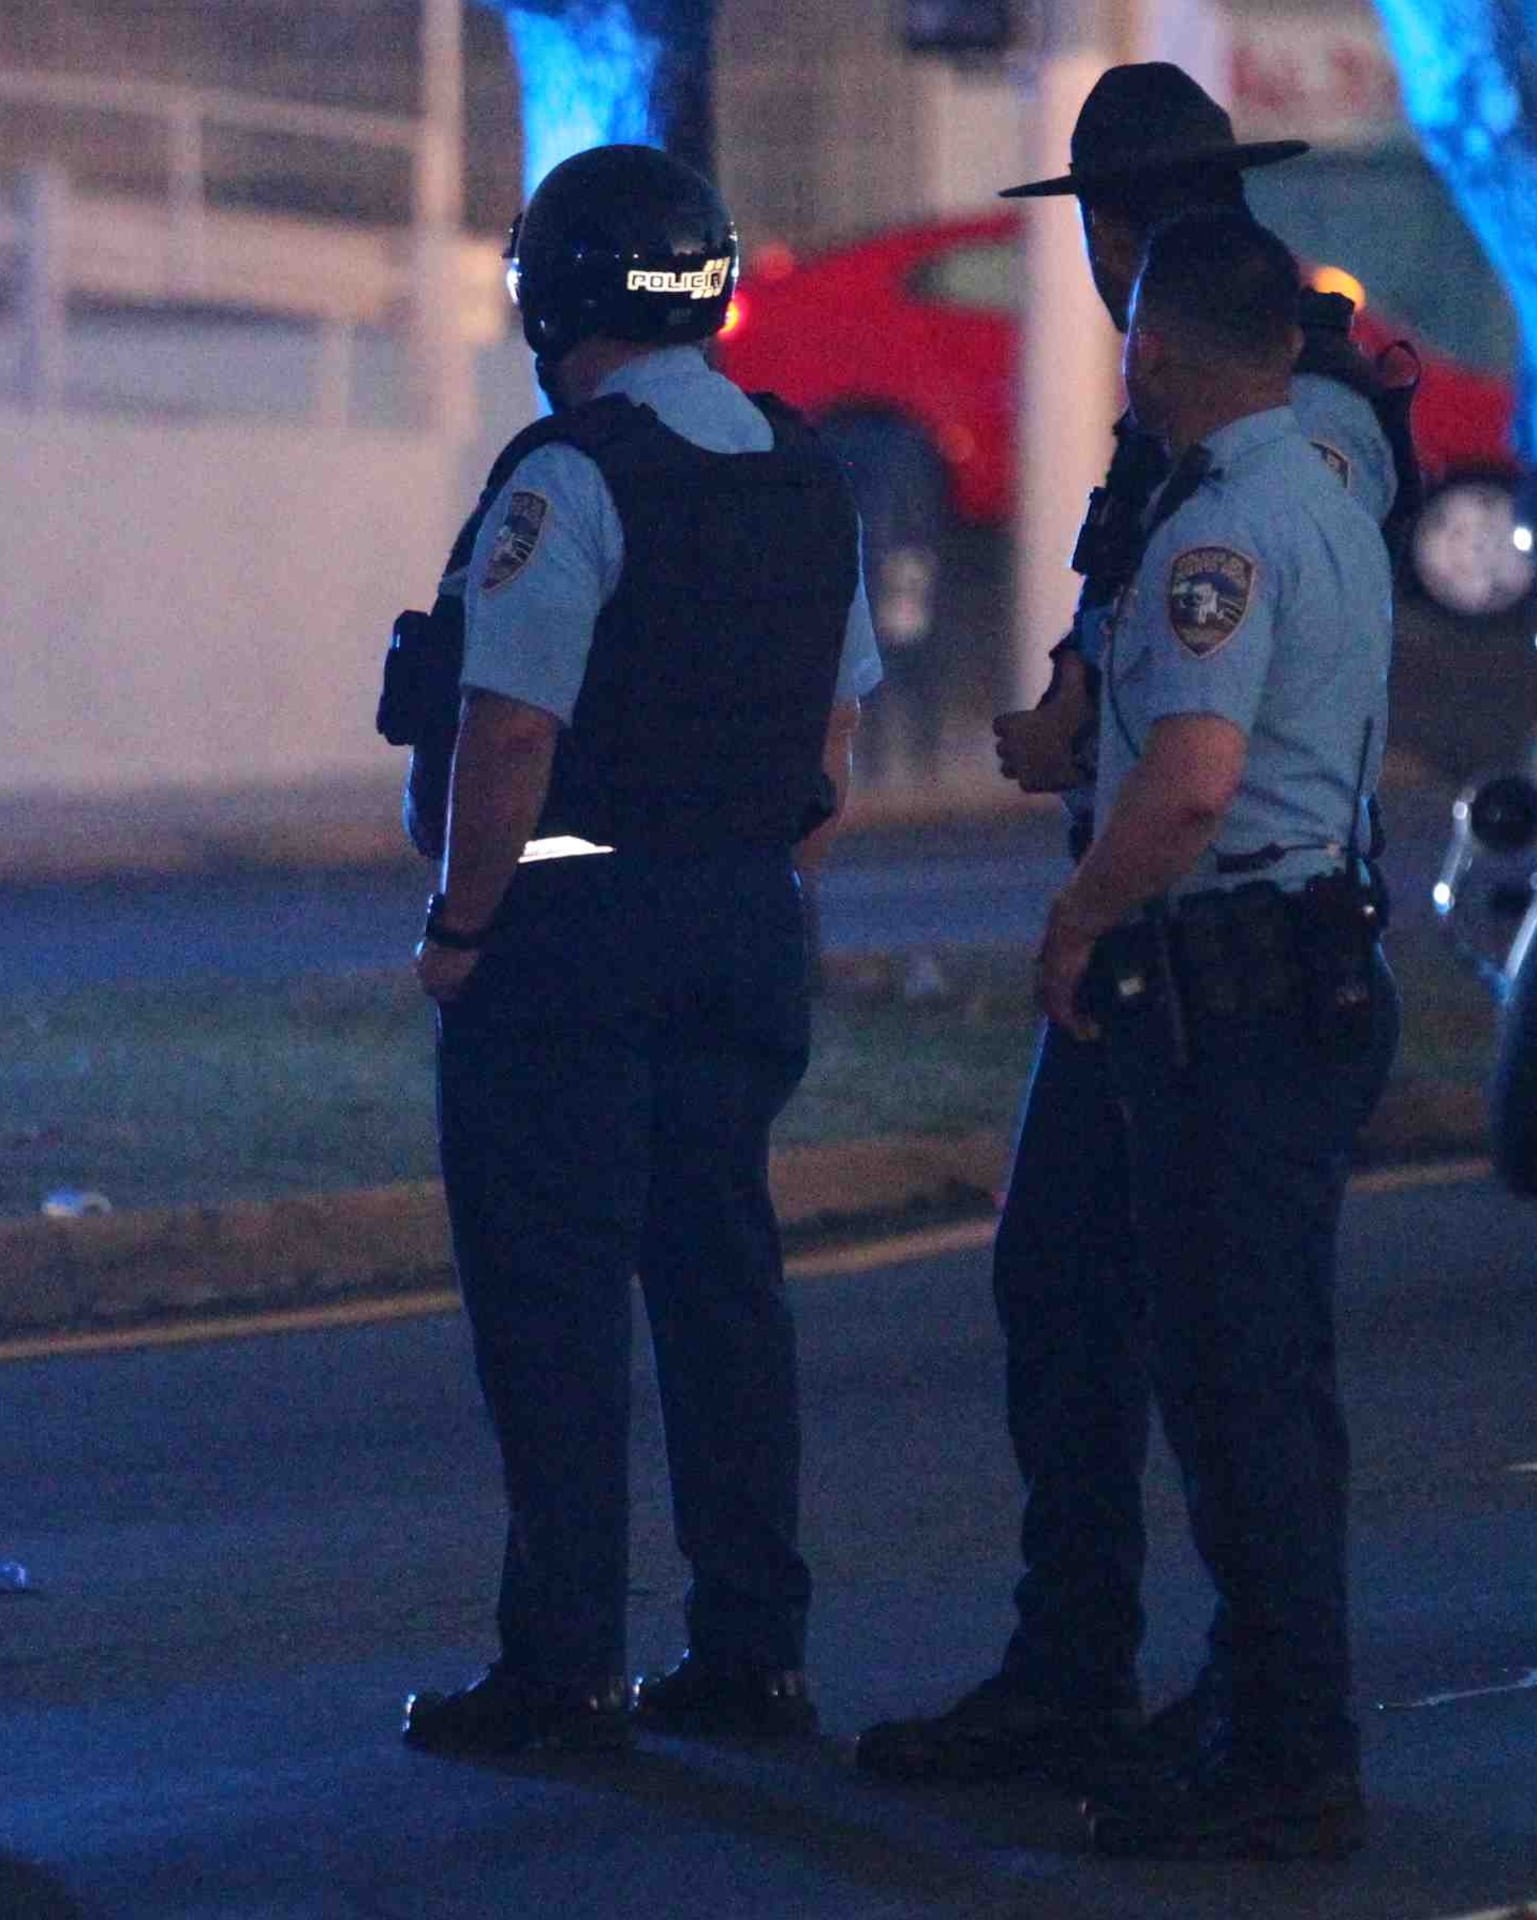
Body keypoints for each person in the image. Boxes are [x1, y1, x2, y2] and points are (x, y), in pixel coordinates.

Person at [853, 60, 1414, 1797]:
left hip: (1222, 926)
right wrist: (1076, 721)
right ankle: (1085, 1666)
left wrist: (1111, 823)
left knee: (1238, 1363)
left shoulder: (1281, 418)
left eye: (1112, 234)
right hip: (1157, 934)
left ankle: (1262, 1721)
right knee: (1075, 1293)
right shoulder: (1196, 414)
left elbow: (1233, 662)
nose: (1106, 276)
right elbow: (1142, 629)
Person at [393, 143, 880, 1756]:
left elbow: (509, 730)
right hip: (744, 923)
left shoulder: (573, 474)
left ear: (557, 290)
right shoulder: (807, 470)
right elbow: (832, 733)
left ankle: (566, 1670)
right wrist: (770, 892)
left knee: (558, 1308)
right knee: (724, 1295)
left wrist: (465, 929)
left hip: (574, 939)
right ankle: (755, 1654)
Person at [1039, 206, 1399, 1860]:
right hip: (1303, 971)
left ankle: (1283, 1750)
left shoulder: (1223, 533)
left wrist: (1080, 916)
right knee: (1273, 1388)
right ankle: (1278, 1723)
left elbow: (1188, 786)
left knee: (1235, 1393)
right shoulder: (1322, 498)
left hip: (1234, 998)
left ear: (1158, 351)